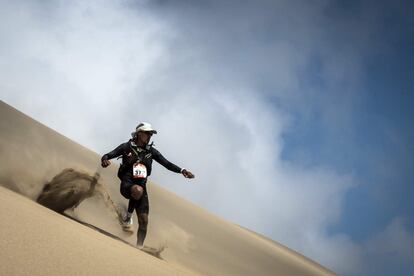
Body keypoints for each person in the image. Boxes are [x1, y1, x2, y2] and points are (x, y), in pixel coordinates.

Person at [101, 122, 194, 248]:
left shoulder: (151, 152)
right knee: (137, 190)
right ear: (139, 133)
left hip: (141, 187)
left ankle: (139, 248)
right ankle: (127, 217)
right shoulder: (126, 147)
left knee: (144, 221)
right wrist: (105, 160)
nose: (150, 136)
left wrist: (182, 170)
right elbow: (108, 155)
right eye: (147, 133)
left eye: (151, 134)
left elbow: (167, 163)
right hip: (127, 184)